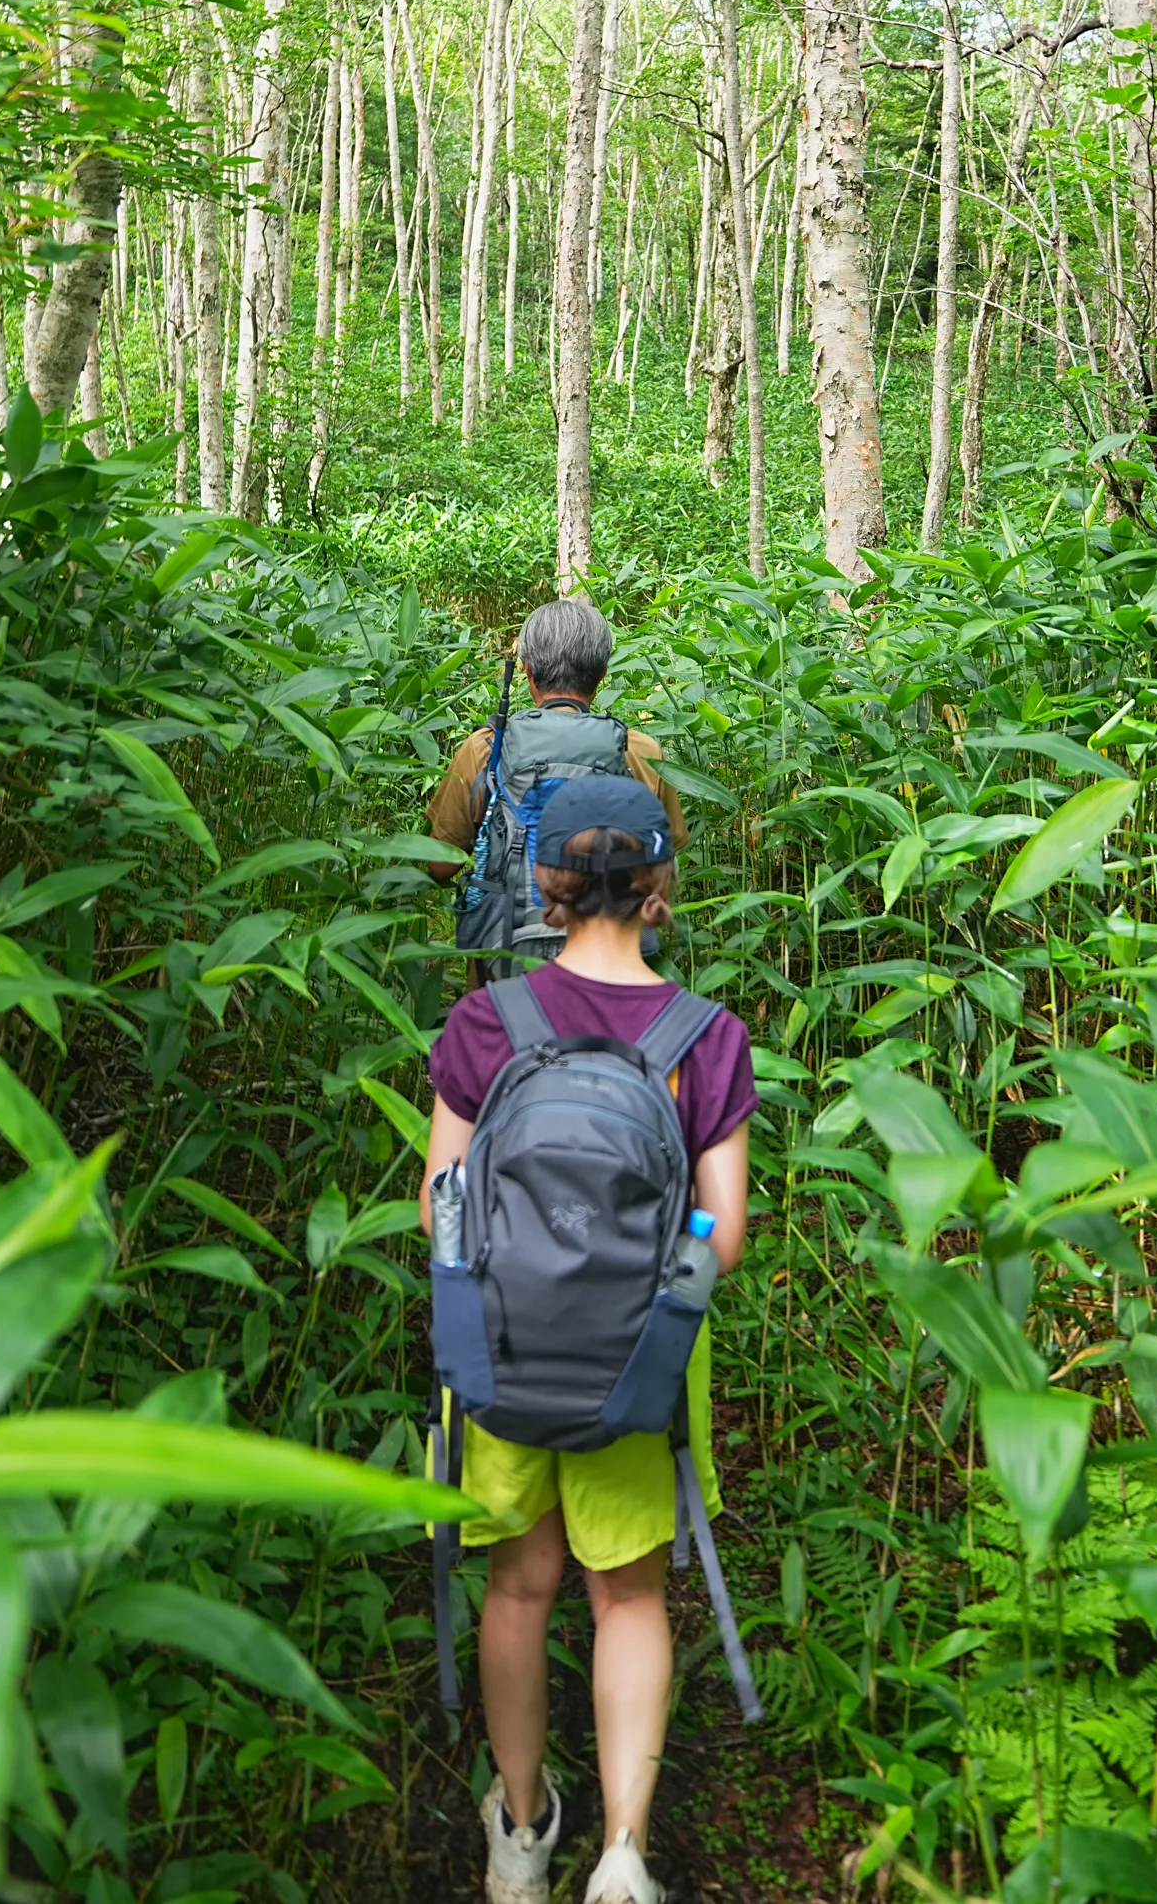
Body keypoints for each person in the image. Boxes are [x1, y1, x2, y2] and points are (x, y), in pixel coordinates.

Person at [420, 774, 756, 1904]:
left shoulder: (487, 1024)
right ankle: (622, 1854)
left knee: (518, 1587)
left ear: (549, 887)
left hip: (503, 1355)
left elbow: (440, 1207)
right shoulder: (703, 1037)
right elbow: (724, 1233)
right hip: (638, 1368)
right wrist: (653, 1271)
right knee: (627, 1598)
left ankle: (519, 1833)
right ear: (658, 884)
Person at [427, 596, 687, 964]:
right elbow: (664, 868)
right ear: (601, 675)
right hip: (609, 977)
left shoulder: (486, 750)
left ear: (527, 672)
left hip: (504, 977)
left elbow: (439, 866)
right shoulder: (641, 753)